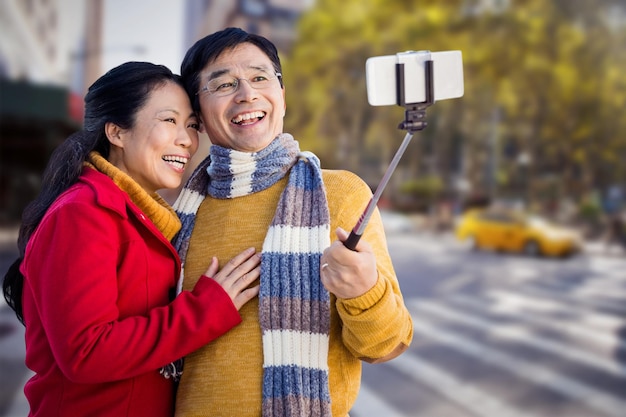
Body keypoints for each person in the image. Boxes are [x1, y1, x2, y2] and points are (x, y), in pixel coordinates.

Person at [168, 27, 414, 417]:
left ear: (282, 97)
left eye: (260, 77)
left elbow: (386, 345)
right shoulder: (176, 214)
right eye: (224, 84)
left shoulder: (343, 194)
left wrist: (364, 290)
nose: (247, 93)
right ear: (197, 113)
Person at [2, 61, 262, 417]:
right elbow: (86, 352)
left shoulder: (143, 217)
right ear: (117, 132)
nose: (186, 139)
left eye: (191, 125)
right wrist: (207, 310)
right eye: (169, 120)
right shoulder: (82, 213)